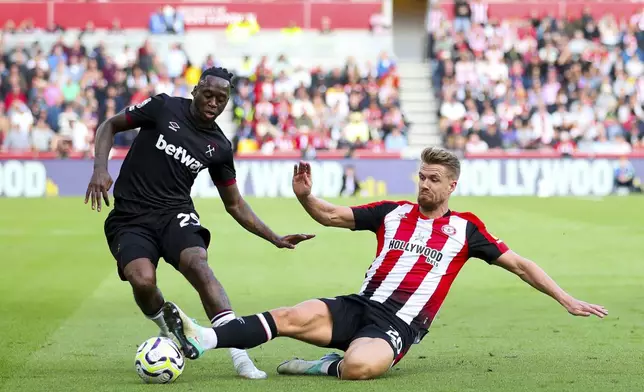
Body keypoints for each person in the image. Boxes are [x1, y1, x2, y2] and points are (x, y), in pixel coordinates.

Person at [160, 146, 608, 380]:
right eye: (421, 176)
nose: (424, 185)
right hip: (359, 305)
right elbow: (332, 215)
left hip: (396, 325)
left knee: (359, 368)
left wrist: (565, 298)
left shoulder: (467, 230)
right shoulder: (392, 212)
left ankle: (322, 366)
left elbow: (521, 265)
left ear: (452, 185)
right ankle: (204, 338)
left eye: (434, 179)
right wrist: (305, 197)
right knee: (289, 315)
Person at [84, 67, 314, 379]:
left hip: (174, 214)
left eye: (222, 99)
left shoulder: (219, 146)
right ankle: (170, 327)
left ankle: (240, 355)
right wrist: (100, 168)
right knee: (142, 280)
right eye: (209, 94)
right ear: (196, 90)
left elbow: (234, 203)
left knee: (198, 263)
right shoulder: (163, 107)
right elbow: (110, 125)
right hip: (131, 216)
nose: (214, 103)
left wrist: (273, 237)